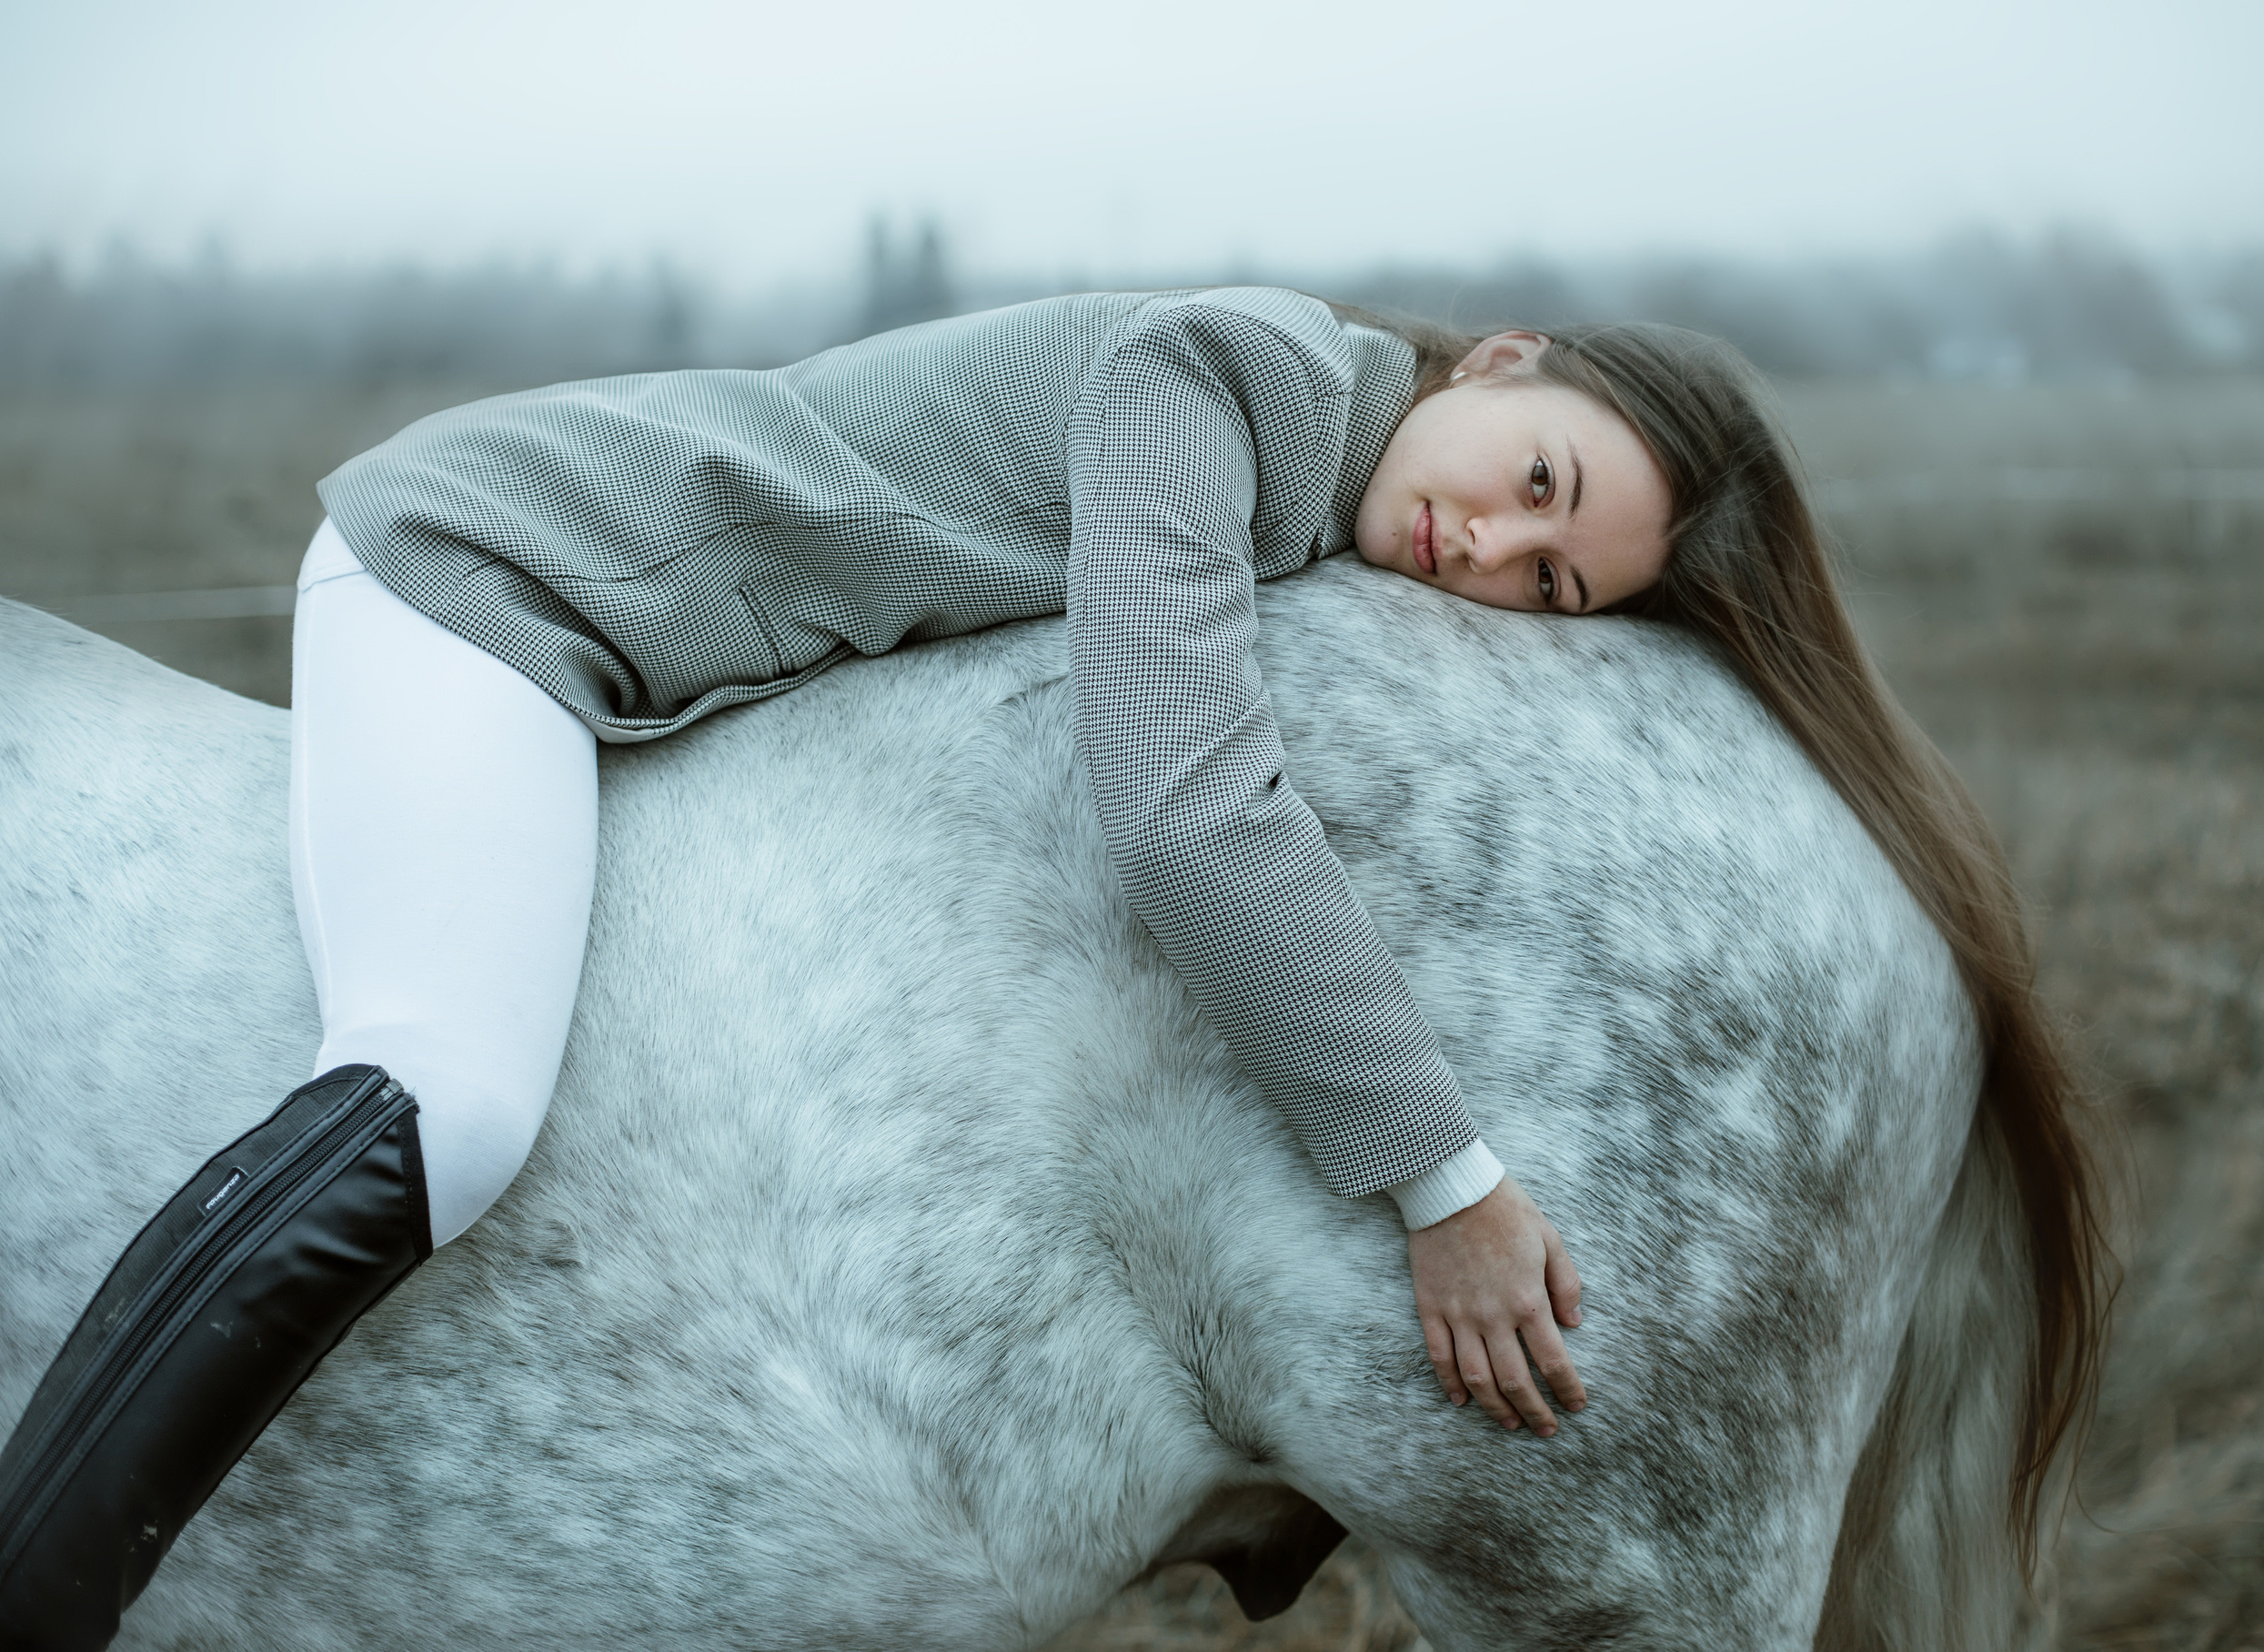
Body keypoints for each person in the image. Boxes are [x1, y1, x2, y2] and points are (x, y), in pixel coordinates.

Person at [0, 287, 2108, 1647]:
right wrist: (1446, 1182)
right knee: (443, 1092)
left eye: (1553, 584)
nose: (1485, 556)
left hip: (619, 667)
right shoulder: (1221, 379)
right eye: (1530, 485)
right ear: (1500, 363)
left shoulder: (1305, 478)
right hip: (475, 587)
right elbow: (1182, 803)